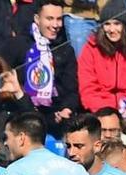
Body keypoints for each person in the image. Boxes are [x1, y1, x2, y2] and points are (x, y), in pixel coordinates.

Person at [77, 0, 126, 138]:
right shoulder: (91, 49)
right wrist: (107, 112)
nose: (112, 30)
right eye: (107, 24)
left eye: (117, 24)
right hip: (99, 111)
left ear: (124, 25)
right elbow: (87, 89)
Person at [5, 0, 80, 137]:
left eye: (59, 19)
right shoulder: (18, 45)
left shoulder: (65, 50)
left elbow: (72, 91)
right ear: (37, 19)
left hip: (54, 116)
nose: (55, 25)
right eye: (49, 19)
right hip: (21, 113)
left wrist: (66, 109)